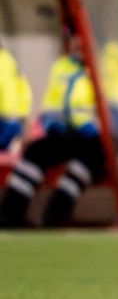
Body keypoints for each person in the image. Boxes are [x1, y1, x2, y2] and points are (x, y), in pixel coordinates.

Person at [1, 33, 108, 227]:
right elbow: (52, 107)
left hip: (95, 137)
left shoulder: (103, 72)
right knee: (36, 151)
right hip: (64, 133)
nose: (78, 44)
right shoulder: (61, 67)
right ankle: (10, 214)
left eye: (82, 38)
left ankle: (55, 215)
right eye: (74, 38)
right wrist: (42, 130)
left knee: (83, 163)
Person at [0, 37, 31, 152]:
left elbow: (20, 87)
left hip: (9, 119)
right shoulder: (9, 60)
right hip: (12, 119)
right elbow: (22, 87)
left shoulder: (8, 61)